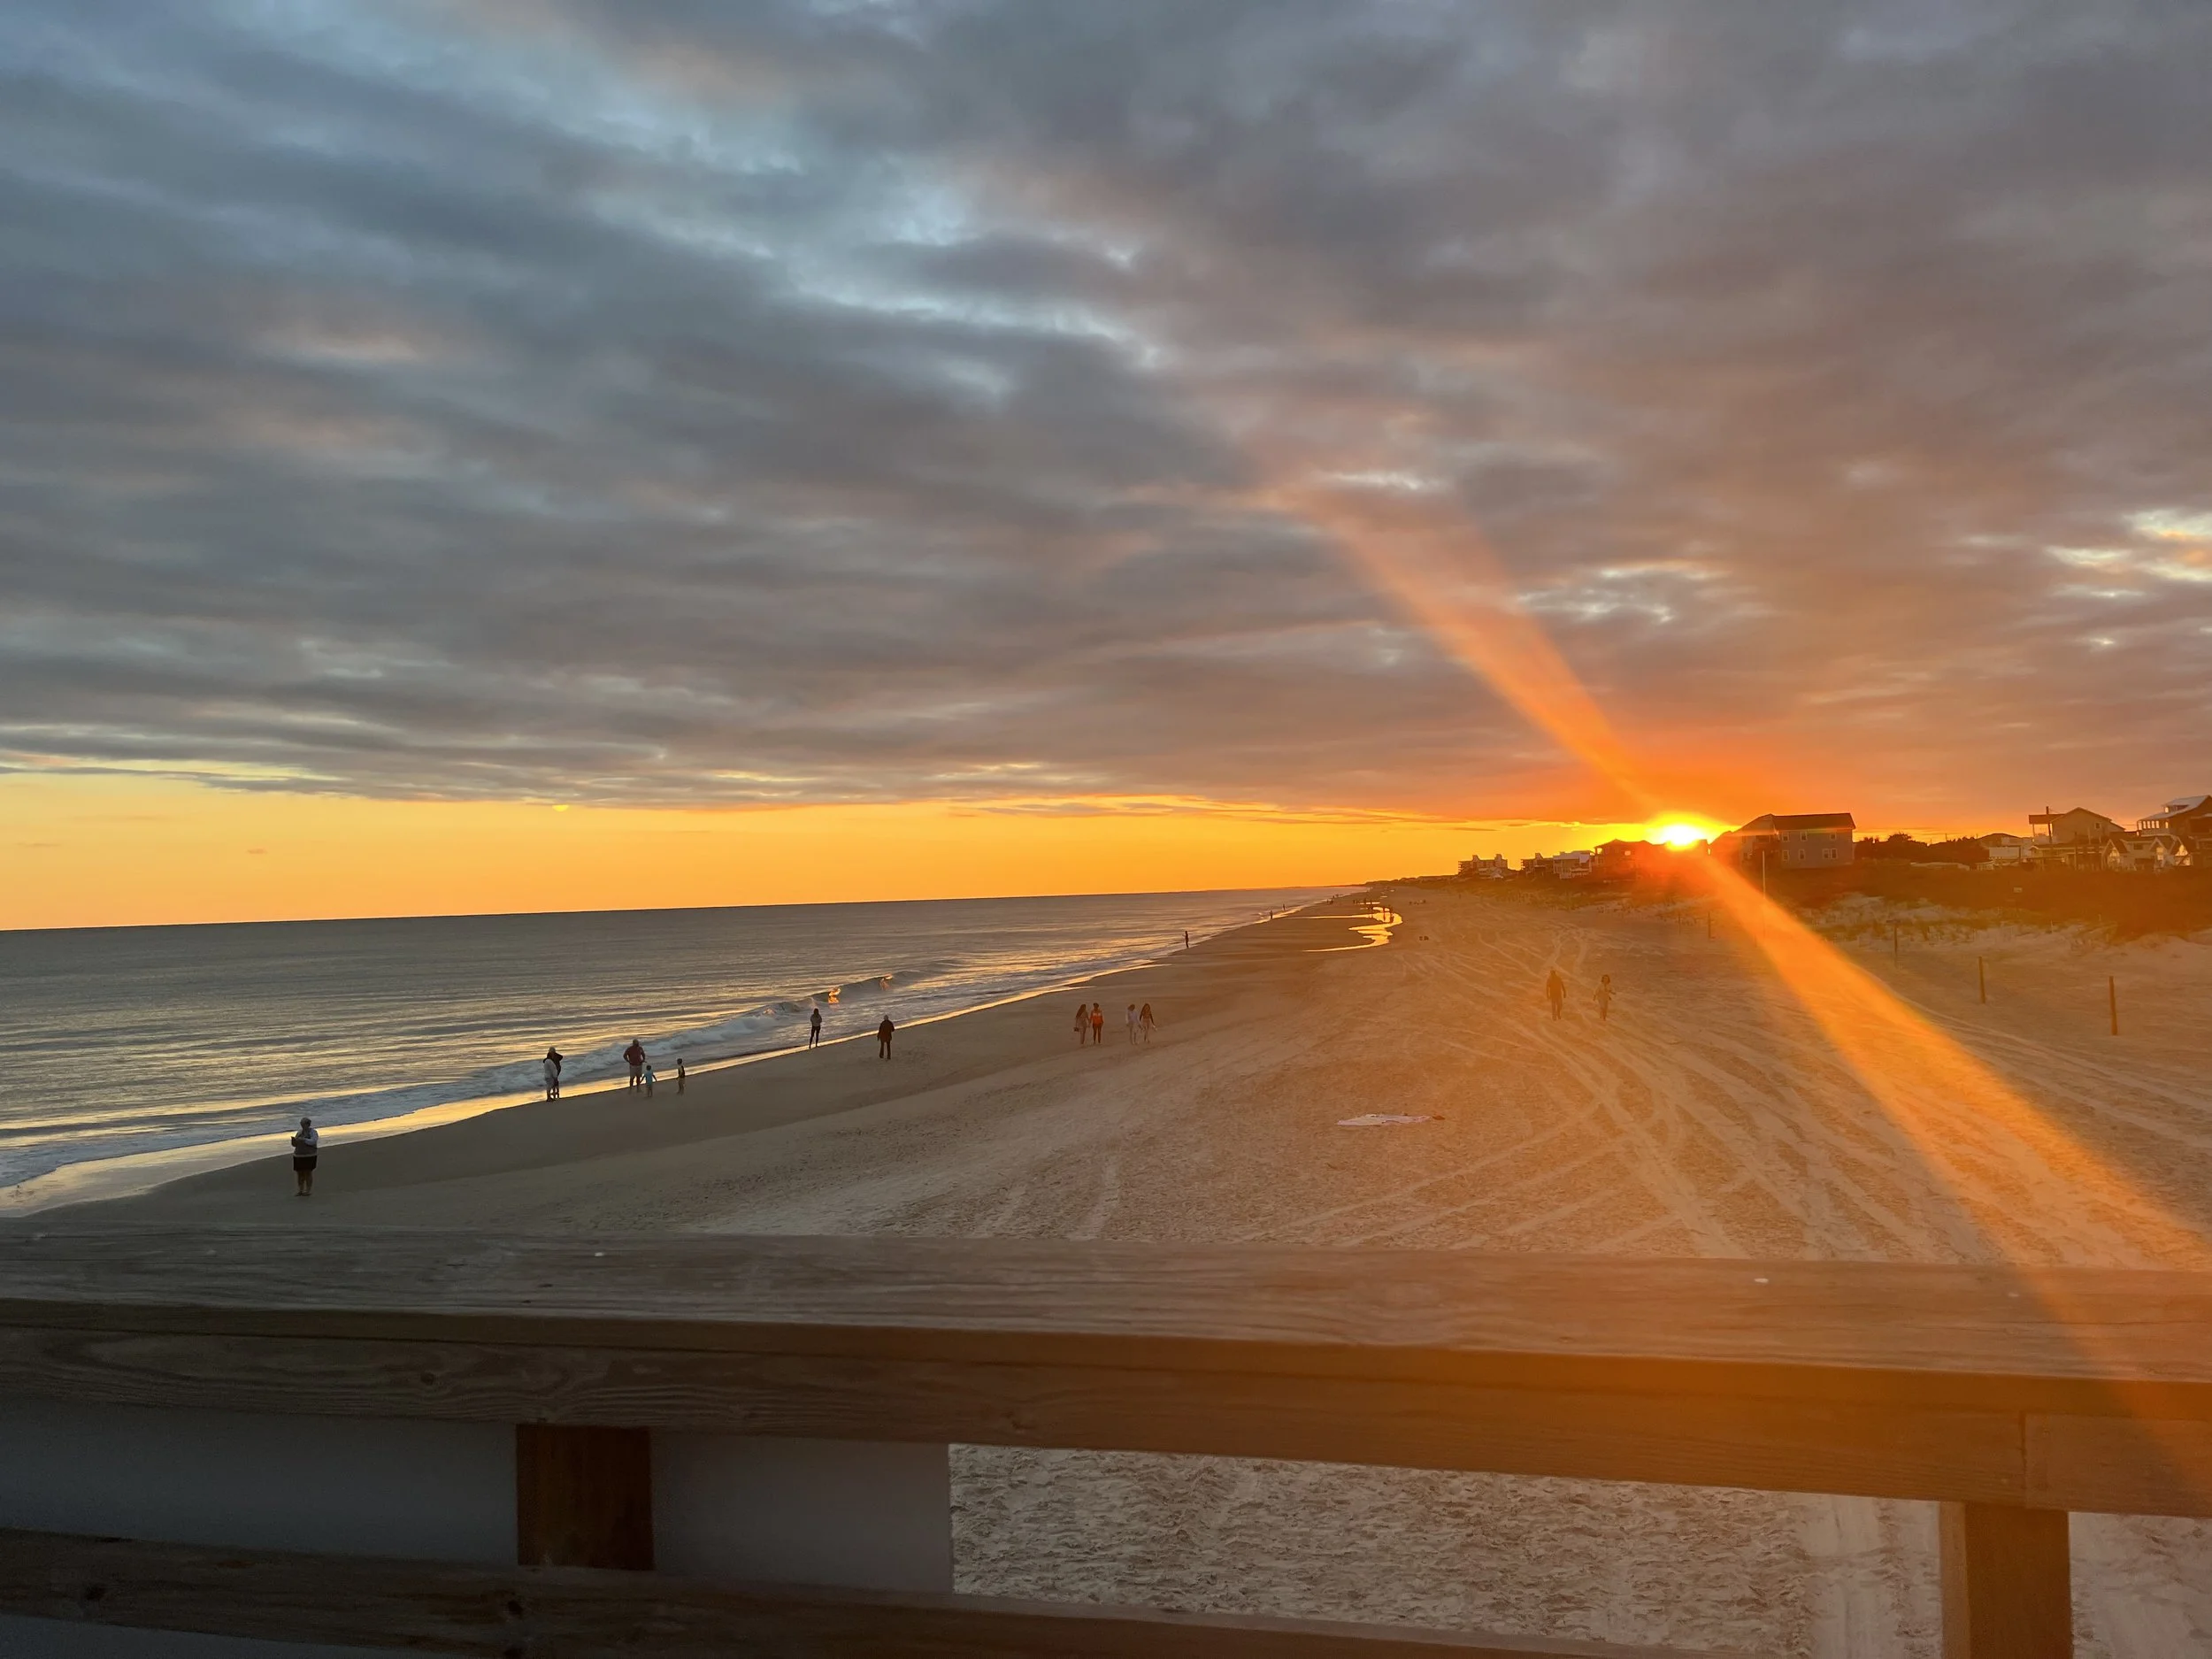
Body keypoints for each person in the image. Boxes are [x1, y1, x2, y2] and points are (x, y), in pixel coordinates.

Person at [290, 1117, 319, 1197]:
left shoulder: (313, 1132)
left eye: (303, 1124)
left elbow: (313, 1141)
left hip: (309, 1155)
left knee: (308, 1172)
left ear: (308, 1124)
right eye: (301, 1124)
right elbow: (295, 1145)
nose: (302, 1126)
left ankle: (308, 1190)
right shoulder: (299, 1132)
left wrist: (304, 1140)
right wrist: (294, 1142)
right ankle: (300, 1190)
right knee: (299, 1173)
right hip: (298, 1155)